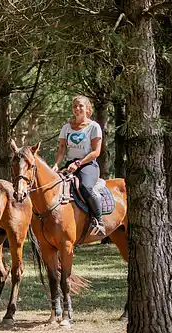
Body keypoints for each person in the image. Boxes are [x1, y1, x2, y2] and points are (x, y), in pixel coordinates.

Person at [52, 95, 106, 236]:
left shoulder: (94, 127)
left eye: (80, 106)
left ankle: (99, 221)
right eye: (75, 106)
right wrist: (56, 165)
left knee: (85, 187)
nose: (77, 108)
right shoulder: (66, 128)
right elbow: (62, 148)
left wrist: (79, 163)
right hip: (70, 164)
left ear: (88, 108)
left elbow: (96, 152)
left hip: (88, 164)